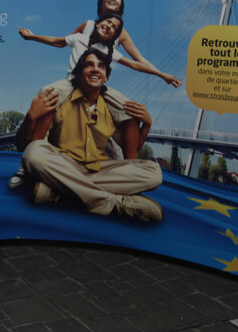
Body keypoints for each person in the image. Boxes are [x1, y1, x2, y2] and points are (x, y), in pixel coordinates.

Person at [17, 49, 164, 222]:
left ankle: (59, 191)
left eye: (101, 66)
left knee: (154, 173)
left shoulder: (113, 109)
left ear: (106, 77)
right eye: (89, 65)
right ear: (79, 74)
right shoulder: (59, 99)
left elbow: (131, 149)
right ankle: (112, 202)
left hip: (98, 170)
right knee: (34, 152)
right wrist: (31, 116)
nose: (95, 69)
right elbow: (25, 147)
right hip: (64, 165)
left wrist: (146, 125)